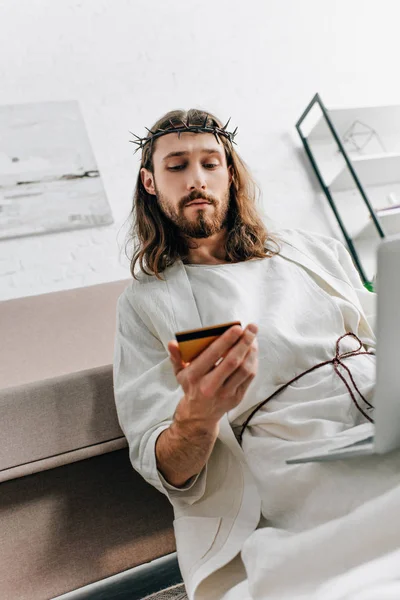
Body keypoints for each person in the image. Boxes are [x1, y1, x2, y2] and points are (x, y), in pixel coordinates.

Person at [113, 109, 400, 600]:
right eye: (177, 166)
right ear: (150, 182)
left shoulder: (310, 250)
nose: (197, 180)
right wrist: (197, 417)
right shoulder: (147, 302)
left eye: (210, 163)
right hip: (295, 447)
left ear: (230, 172)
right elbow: (165, 463)